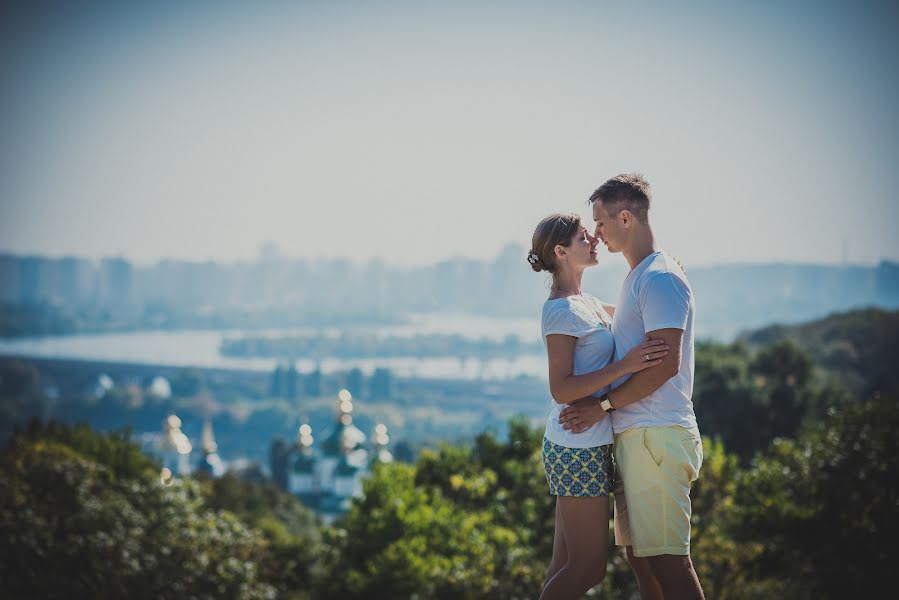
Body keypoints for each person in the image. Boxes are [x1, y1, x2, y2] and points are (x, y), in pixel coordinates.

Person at [559, 173, 705, 600]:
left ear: (626, 217)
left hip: (656, 436)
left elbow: (663, 367)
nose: (596, 233)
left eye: (600, 223)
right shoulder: (642, 276)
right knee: (644, 562)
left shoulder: (659, 278)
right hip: (637, 437)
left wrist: (600, 406)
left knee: (669, 562)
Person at [528, 212, 670, 600]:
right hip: (577, 447)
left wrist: (667, 271)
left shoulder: (585, 302)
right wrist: (626, 365)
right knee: (587, 569)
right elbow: (561, 389)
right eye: (583, 238)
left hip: (586, 443)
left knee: (563, 566)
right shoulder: (561, 311)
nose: (594, 241)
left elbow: (631, 309)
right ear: (560, 252)